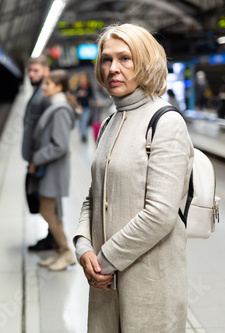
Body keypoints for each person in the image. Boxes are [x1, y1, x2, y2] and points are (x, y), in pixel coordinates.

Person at [73, 23, 194, 332]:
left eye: (125, 58)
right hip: (106, 282)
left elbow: (160, 214)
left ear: (146, 63)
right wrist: (83, 246)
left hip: (147, 283)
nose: (113, 68)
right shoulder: (111, 120)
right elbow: (94, 194)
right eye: (106, 59)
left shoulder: (165, 123)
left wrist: (105, 259)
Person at [28, 69, 78, 271]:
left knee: (47, 210)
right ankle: (59, 252)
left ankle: (66, 252)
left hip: (53, 170)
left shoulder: (60, 110)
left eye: (47, 83)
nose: (43, 87)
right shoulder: (57, 107)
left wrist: (36, 158)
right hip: (50, 169)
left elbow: (60, 145)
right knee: (53, 212)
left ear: (59, 87)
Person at [21, 55, 55, 251]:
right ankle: (51, 237)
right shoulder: (38, 93)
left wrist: (38, 159)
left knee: (47, 201)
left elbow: (47, 132)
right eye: (30, 71)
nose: (32, 74)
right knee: (42, 200)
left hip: (42, 161)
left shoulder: (45, 96)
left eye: (36, 71)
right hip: (36, 159)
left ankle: (56, 242)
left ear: (46, 71)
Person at [75, 72, 94, 142]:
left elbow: (92, 95)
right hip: (79, 107)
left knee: (85, 121)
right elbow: (75, 96)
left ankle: (84, 135)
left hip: (86, 107)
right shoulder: (78, 86)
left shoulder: (88, 86)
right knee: (80, 122)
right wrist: (79, 94)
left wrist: (86, 95)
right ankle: (82, 135)